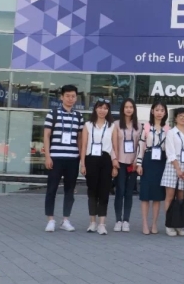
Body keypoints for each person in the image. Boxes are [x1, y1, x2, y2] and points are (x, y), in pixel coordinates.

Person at [44, 85, 84, 232]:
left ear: (76, 98)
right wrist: (47, 156)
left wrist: (81, 159)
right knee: (52, 189)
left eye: (73, 96)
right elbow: (46, 136)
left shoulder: (78, 116)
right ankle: (50, 220)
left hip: (72, 159)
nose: (70, 99)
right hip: (55, 158)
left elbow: (80, 139)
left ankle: (65, 220)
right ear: (61, 97)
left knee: (69, 191)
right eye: (67, 96)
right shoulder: (52, 114)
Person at [80, 99, 118, 235]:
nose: (102, 110)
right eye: (100, 107)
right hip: (91, 160)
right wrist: (82, 164)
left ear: (108, 111)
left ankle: (102, 223)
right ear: (95, 109)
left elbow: (115, 147)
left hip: (106, 160)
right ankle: (92, 222)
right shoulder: (88, 125)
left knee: (104, 192)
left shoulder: (112, 126)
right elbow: (84, 146)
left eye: (105, 108)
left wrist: (115, 165)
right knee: (92, 191)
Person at [135, 101, 169, 235]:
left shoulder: (168, 129)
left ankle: (154, 223)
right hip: (148, 160)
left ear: (165, 112)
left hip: (161, 161)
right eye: (157, 110)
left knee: (157, 195)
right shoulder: (146, 127)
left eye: (162, 110)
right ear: (152, 111)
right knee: (145, 195)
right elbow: (141, 146)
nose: (159, 112)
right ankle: (144, 223)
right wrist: (139, 164)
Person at [162, 107, 184, 237]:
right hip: (173, 166)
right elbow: (170, 152)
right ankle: (169, 224)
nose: (183, 118)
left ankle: (179, 224)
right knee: (170, 197)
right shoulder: (171, 133)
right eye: (180, 116)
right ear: (175, 118)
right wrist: (178, 169)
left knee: (181, 197)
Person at [112, 98, 140, 232]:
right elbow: (112, 144)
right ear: (122, 109)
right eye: (126, 107)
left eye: (131, 107)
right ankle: (118, 220)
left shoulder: (138, 126)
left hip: (133, 163)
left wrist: (137, 161)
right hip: (120, 162)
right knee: (120, 191)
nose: (129, 109)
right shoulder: (116, 124)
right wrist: (114, 160)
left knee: (129, 193)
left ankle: (126, 220)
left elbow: (141, 145)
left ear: (134, 109)